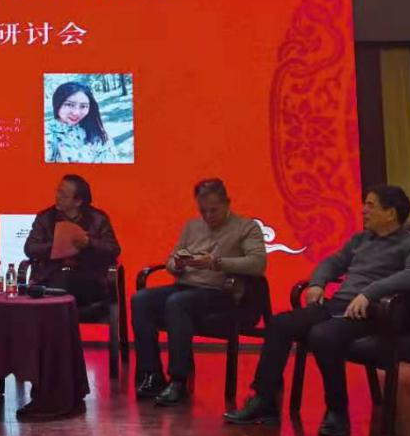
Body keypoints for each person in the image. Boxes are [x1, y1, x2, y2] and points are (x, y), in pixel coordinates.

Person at [225, 184, 410, 436]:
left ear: (390, 213)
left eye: (370, 205)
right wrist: (317, 283)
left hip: (375, 312)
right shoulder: (360, 240)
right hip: (339, 304)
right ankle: (264, 401)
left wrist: (370, 293)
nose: (363, 210)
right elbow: (333, 262)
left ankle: (337, 412)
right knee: (280, 324)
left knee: (323, 335)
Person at [131, 178, 266, 406]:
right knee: (141, 300)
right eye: (203, 211)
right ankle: (151, 373)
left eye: (214, 210)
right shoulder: (191, 227)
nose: (208, 216)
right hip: (186, 286)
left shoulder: (246, 227)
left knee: (178, 302)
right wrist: (178, 264)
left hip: (220, 292)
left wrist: (217, 262)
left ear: (227, 203)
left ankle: (179, 380)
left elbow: (258, 263)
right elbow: (171, 261)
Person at [22, 174, 121, 306]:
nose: (57, 197)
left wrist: (89, 243)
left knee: (68, 281)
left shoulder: (98, 219)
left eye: (63, 195)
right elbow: (30, 248)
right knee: (60, 280)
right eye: (58, 191)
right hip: (51, 275)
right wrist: (57, 245)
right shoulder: (45, 217)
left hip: (88, 278)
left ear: (78, 202)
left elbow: (113, 249)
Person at [45, 81, 117, 163]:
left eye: (83, 106)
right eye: (69, 104)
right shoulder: (48, 134)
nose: (76, 113)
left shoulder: (97, 132)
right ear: (57, 104)